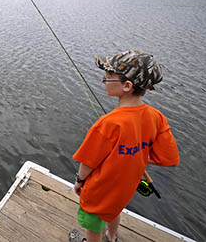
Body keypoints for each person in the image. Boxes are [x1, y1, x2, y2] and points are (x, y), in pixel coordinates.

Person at [71, 50, 180, 242]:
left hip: (99, 191)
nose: (103, 81)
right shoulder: (157, 117)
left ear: (127, 85)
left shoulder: (108, 124)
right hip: (125, 189)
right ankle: (112, 237)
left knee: (93, 224)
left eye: (108, 77)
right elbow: (168, 159)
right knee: (114, 210)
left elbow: (87, 163)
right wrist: (136, 156)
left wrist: (79, 181)